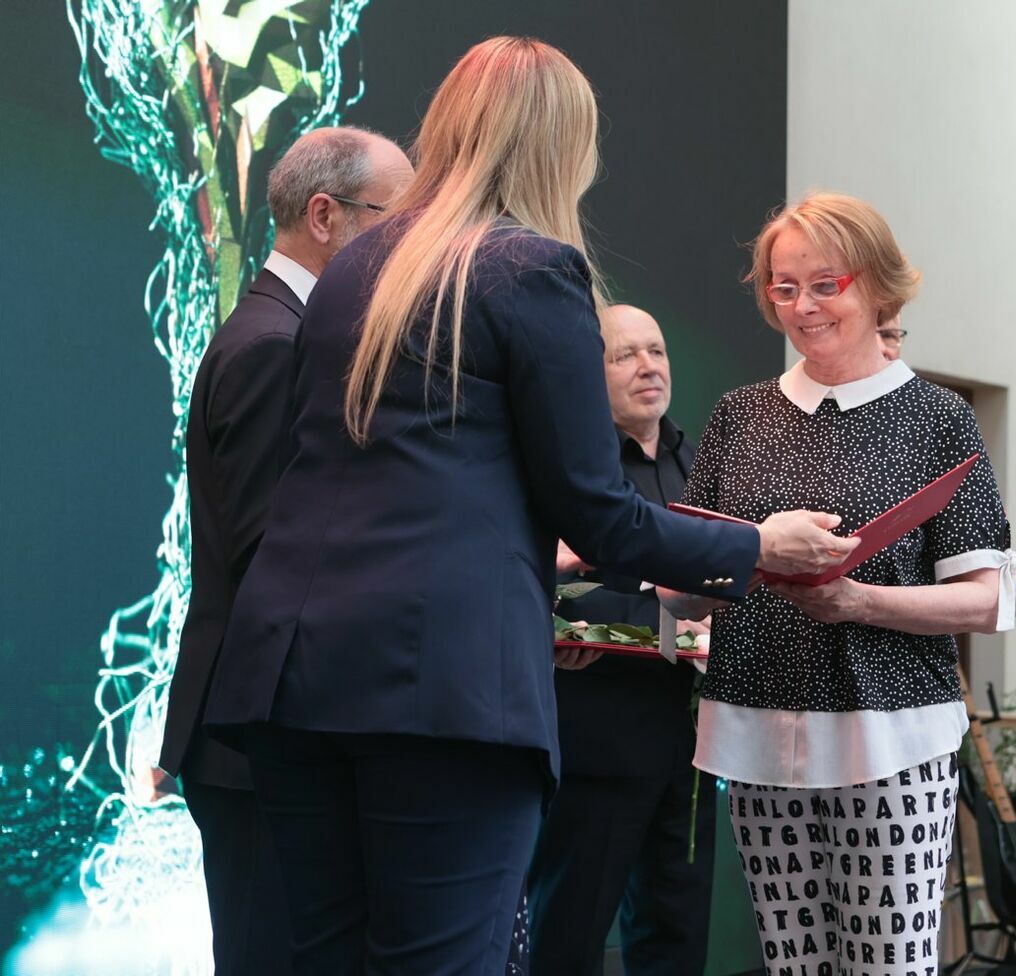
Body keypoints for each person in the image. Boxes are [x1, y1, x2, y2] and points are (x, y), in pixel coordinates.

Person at [201, 37, 850, 976]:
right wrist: (756, 546)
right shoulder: (531, 268)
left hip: (295, 683)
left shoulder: (351, 265)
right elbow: (599, 513)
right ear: (559, 148)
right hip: (439, 691)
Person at [662, 192, 1016, 976]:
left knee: (889, 965)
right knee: (794, 964)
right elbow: (680, 592)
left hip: (892, 734)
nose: (802, 306)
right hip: (759, 727)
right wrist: (733, 559)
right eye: (784, 287)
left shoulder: (937, 417)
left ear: (877, 287)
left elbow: (987, 597)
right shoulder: (740, 415)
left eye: (824, 285)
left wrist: (856, 600)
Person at [158, 126, 412, 976]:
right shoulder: (277, 344)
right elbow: (277, 554)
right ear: (325, 216)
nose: (409, 244)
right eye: (395, 218)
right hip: (258, 737)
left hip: (265, 731)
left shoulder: (283, 329)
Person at [529, 304, 718, 976]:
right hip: (597, 743)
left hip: (691, 749)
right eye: (624, 355)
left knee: (678, 936)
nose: (648, 366)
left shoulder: (701, 464)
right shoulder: (568, 470)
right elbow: (552, 590)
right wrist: (667, 615)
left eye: (657, 351)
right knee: (567, 934)